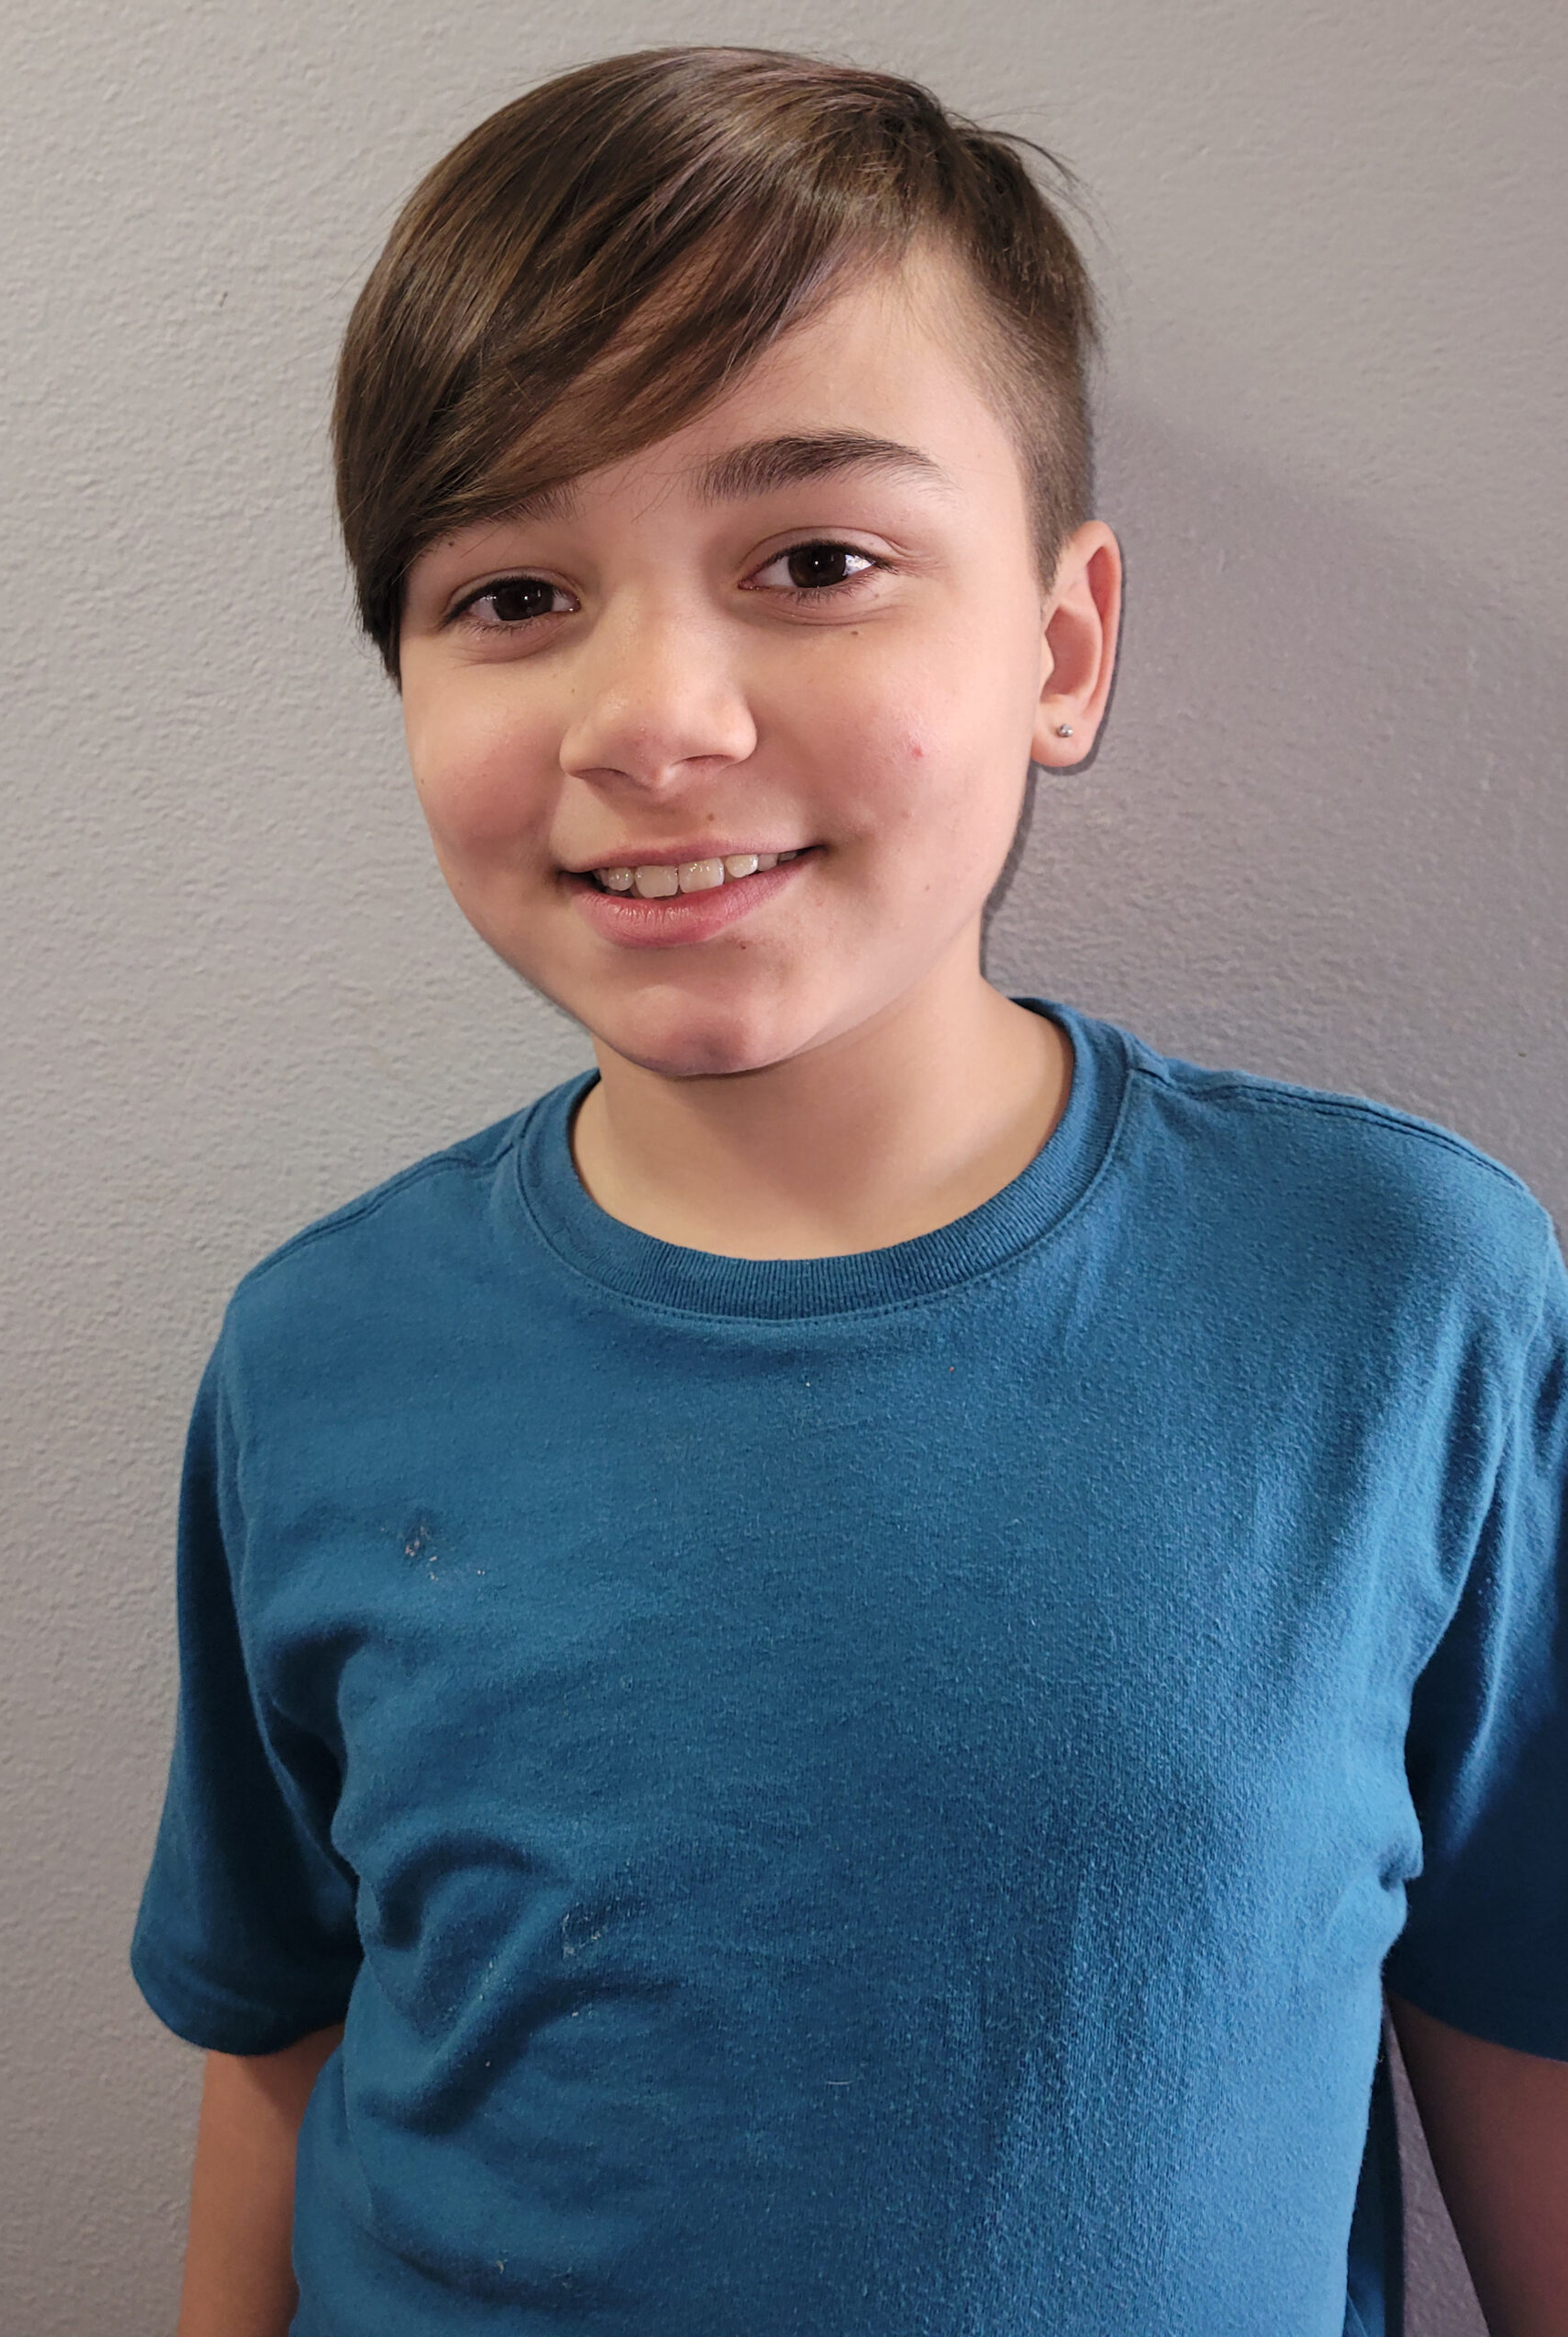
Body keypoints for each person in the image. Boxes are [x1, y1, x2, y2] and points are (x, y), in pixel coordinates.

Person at [130, 46, 1568, 2337]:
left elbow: (1518, 2011)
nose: (655, 718)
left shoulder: (1398, 1302)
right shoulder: (318, 1351)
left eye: (813, 560)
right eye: (513, 590)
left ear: (1058, 649)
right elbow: (282, 2044)